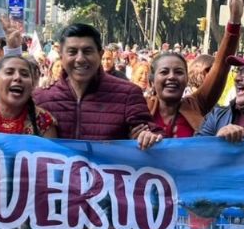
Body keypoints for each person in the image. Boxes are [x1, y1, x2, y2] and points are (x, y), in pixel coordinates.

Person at [31, 23, 162, 148]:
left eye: (87, 51)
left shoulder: (128, 94)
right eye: (72, 52)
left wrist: (149, 137)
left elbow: (152, 133)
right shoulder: (41, 98)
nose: (80, 59)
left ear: (100, 54)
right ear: (61, 56)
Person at [146, 0, 242, 138]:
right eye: (164, 72)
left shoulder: (196, 104)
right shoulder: (139, 108)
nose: (171, 77)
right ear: (151, 81)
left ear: (186, 79)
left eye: (178, 72)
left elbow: (220, 68)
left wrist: (234, 22)